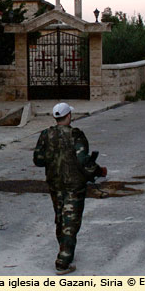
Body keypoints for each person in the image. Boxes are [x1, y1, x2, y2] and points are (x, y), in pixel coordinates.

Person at [33, 102, 107, 275]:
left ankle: (64, 249)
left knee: (60, 217)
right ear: (69, 116)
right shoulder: (76, 135)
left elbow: (38, 160)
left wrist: (54, 159)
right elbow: (83, 160)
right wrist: (98, 171)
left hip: (55, 184)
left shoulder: (46, 135)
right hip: (74, 185)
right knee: (71, 221)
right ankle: (63, 261)